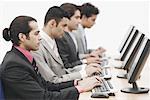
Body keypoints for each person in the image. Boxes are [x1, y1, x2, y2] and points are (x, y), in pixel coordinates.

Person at [0, 15, 102, 100]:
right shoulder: (13, 65)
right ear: (22, 37)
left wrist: (77, 82)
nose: (40, 37)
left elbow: (47, 85)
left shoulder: (23, 58)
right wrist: (80, 88)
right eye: (36, 33)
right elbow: (43, 97)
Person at [31, 6, 102, 83]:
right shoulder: (37, 47)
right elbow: (52, 80)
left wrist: (85, 70)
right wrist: (83, 74)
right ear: (52, 24)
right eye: (64, 26)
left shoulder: (53, 41)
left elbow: (63, 71)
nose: (65, 30)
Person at [56, 3, 101, 69]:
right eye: (77, 18)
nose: (80, 21)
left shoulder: (70, 34)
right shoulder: (63, 36)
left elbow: (75, 57)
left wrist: (89, 55)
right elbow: (67, 65)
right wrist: (86, 61)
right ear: (67, 18)